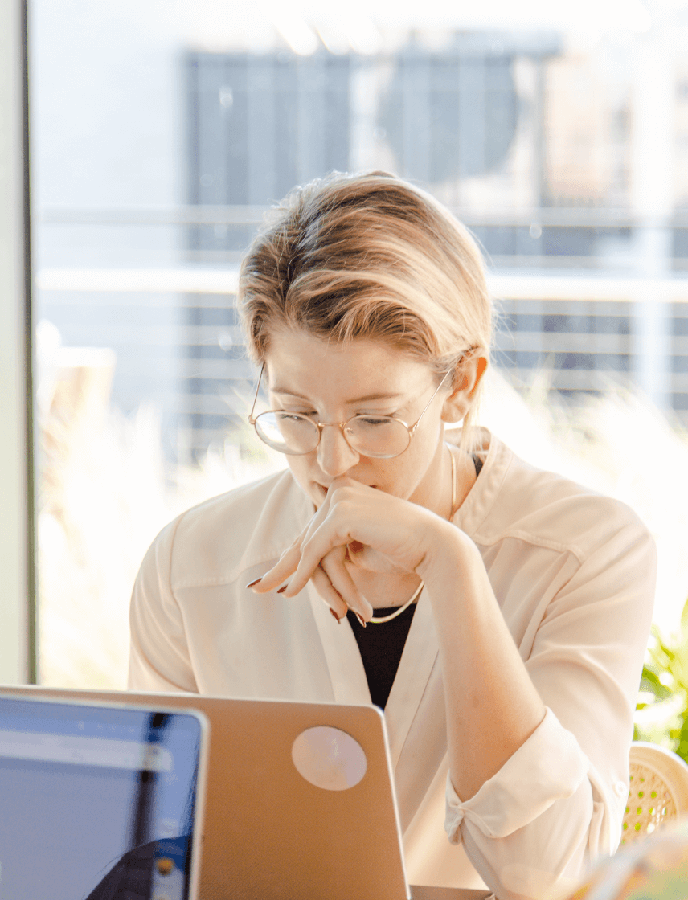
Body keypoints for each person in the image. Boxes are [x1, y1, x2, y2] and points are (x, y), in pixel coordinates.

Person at [128, 171, 656, 900]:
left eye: (375, 419)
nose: (332, 462)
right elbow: (158, 858)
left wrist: (453, 567)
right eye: (297, 415)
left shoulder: (587, 551)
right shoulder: (193, 566)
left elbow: (548, 876)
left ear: (461, 386)